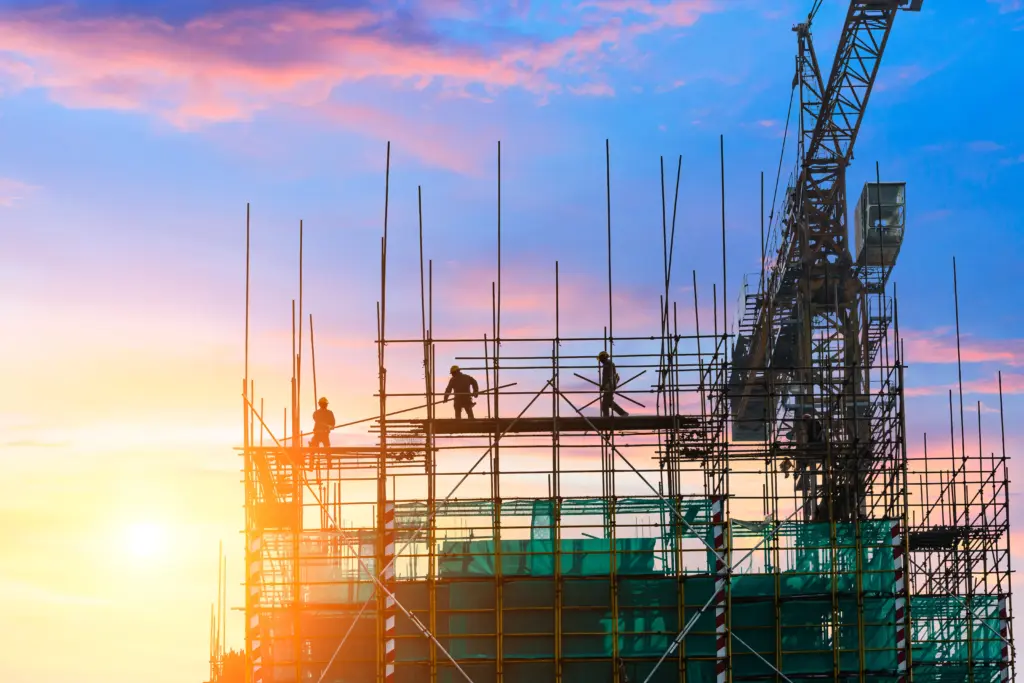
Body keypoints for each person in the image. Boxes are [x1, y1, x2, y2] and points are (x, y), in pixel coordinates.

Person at [597, 351, 629, 418]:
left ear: (604, 357)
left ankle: (607, 417)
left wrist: (603, 386)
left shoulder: (607, 364)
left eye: (600, 358)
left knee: (605, 404)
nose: (600, 360)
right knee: (609, 402)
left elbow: (606, 376)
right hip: (611, 385)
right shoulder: (610, 363)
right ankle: (623, 413)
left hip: (609, 385)